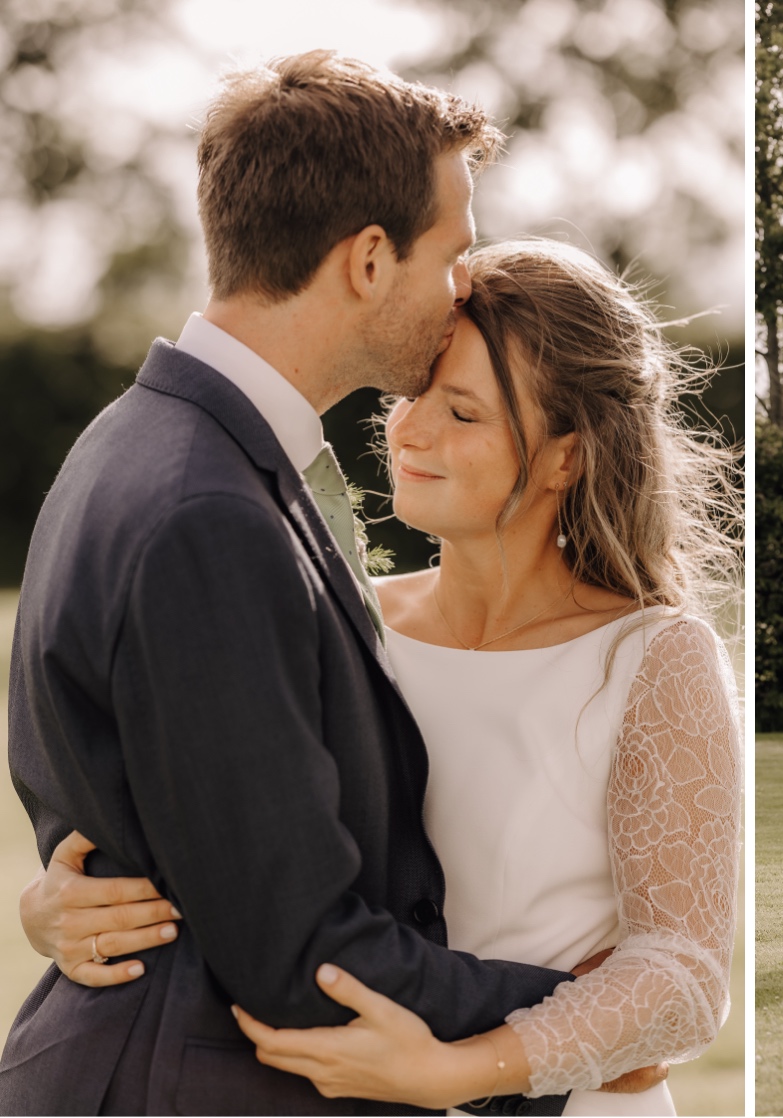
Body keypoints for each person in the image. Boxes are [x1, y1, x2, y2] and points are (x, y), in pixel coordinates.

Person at [0, 53, 667, 1115]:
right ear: (367, 259)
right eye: (452, 251)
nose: (461, 286)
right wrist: (574, 1024)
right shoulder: (207, 509)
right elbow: (299, 952)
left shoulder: (155, 443)